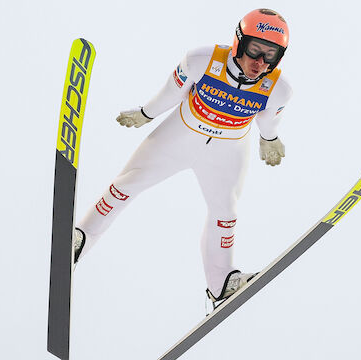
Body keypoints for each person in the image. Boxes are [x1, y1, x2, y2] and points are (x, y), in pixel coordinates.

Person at [73, 8, 292, 307]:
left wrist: (270, 138)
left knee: (226, 214)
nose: (260, 62)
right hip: (179, 136)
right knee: (126, 185)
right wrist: (146, 113)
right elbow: (171, 92)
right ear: (239, 41)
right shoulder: (204, 59)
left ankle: (222, 284)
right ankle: (78, 240)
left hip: (227, 153)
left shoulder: (279, 88)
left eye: (271, 54)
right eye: (255, 49)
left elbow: (268, 120)